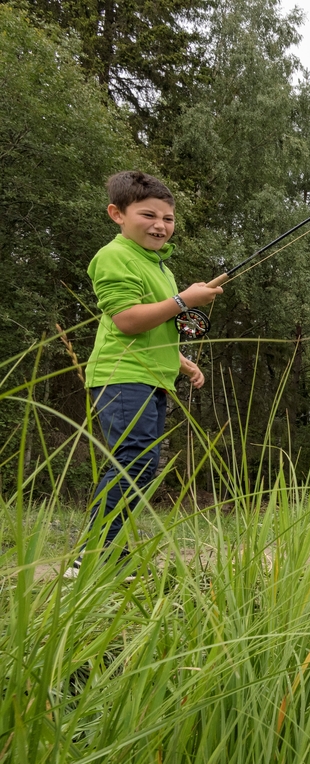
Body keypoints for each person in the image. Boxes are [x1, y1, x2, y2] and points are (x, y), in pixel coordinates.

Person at [65, 171, 223, 578]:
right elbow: (127, 321)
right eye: (149, 215)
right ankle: (92, 557)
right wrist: (184, 299)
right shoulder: (114, 256)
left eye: (168, 218)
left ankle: (110, 556)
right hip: (121, 375)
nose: (160, 225)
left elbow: (156, 321)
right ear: (117, 214)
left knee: (142, 465)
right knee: (132, 462)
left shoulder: (159, 267)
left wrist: (181, 359)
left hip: (152, 376)